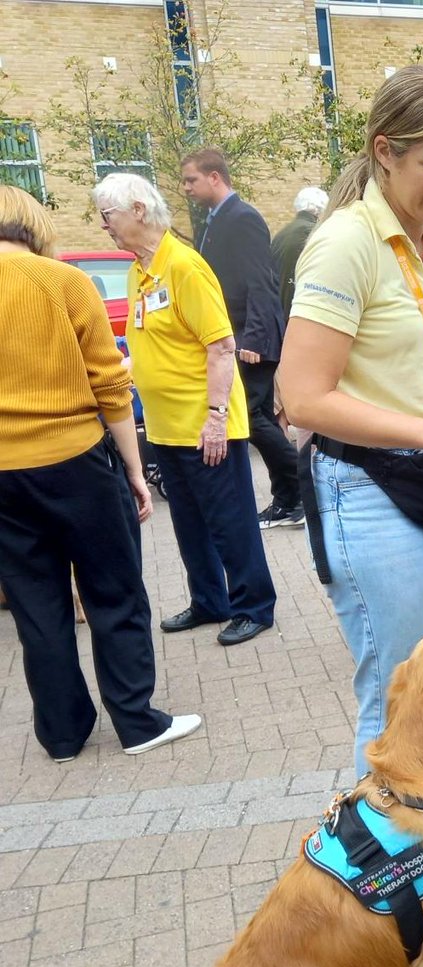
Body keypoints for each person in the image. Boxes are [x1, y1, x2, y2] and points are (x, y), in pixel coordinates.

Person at [276, 64, 423, 777]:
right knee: (399, 698)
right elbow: (301, 397)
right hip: (370, 491)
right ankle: (383, 874)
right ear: (385, 150)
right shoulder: (346, 242)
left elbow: (416, 341)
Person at [0, 185, 201, 760]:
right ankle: (137, 721)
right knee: (113, 591)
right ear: (31, 223)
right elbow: (110, 384)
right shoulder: (63, 281)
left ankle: (61, 735)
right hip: (75, 460)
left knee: (36, 605)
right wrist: (135, 470)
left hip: (4, 473)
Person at [95, 172, 277, 648]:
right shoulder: (140, 270)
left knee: (229, 519)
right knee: (190, 521)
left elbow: (221, 346)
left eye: (107, 215)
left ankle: (254, 605)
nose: (103, 226)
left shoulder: (184, 267)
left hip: (205, 424)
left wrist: (216, 417)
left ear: (137, 210)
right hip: (165, 426)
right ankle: (209, 600)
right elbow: (152, 347)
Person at [182, 148, 301, 529]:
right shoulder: (214, 219)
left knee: (249, 418)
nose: (186, 188)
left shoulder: (242, 217)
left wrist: (254, 338)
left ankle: (303, 487)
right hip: (239, 336)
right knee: (261, 417)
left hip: (250, 340)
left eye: (191, 180)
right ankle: (289, 500)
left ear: (215, 177)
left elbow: (259, 282)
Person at [272, 186, 329, 318]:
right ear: (322, 211)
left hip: (278, 314)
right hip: (300, 313)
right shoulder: (314, 233)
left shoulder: (280, 235)